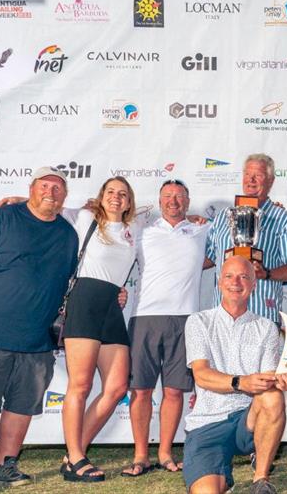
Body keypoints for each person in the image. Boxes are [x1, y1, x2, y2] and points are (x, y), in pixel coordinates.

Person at [0, 167, 78, 493]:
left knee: (22, 406)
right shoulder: (1, 219)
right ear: (31, 188)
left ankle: (4, 464)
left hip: (38, 341)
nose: (51, 191)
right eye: (44, 185)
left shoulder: (68, 233)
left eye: (58, 187)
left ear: (65, 196)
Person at [182, 256, 287, 494]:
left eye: (244, 276)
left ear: (254, 284)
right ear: (218, 282)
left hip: (246, 420)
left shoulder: (266, 327)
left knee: (272, 395)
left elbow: (269, 377)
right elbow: (202, 375)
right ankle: (222, 476)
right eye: (229, 276)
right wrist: (241, 382)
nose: (236, 282)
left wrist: (285, 379)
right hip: (207, 424)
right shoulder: (198, 321)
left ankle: (260, 480)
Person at [123, 179, 210, 476]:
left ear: (188, 201)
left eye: (179, 196)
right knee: (141, 391)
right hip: (144, 318)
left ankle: (164, 452)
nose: (173, 201)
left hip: (186, 319)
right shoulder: (142, 231)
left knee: (174, 392)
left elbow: (228, 243)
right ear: (160, 202)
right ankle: (140, 455)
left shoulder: (201, 230)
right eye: (168, 196)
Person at [56, 176, 140, 482]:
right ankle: (77, 458)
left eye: (122, 194)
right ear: (101, 196)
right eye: (111, 192)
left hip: (111, 305)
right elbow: (49, 210)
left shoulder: (132, 232)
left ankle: (72, 453)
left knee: (117, 387)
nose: (116, 197)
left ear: (129, 201)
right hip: (85, 301)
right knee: (80, 386)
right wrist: (15, 202)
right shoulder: (85, 218)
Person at [205, 154, 287, 325]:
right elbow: (208, 259)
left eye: (258, 175)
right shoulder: (223, 216)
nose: (251, 180)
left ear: (271, 181)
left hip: (262, 315)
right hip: (222, 316)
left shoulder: (283, 219)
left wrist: (265, 273)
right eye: (247, 174)